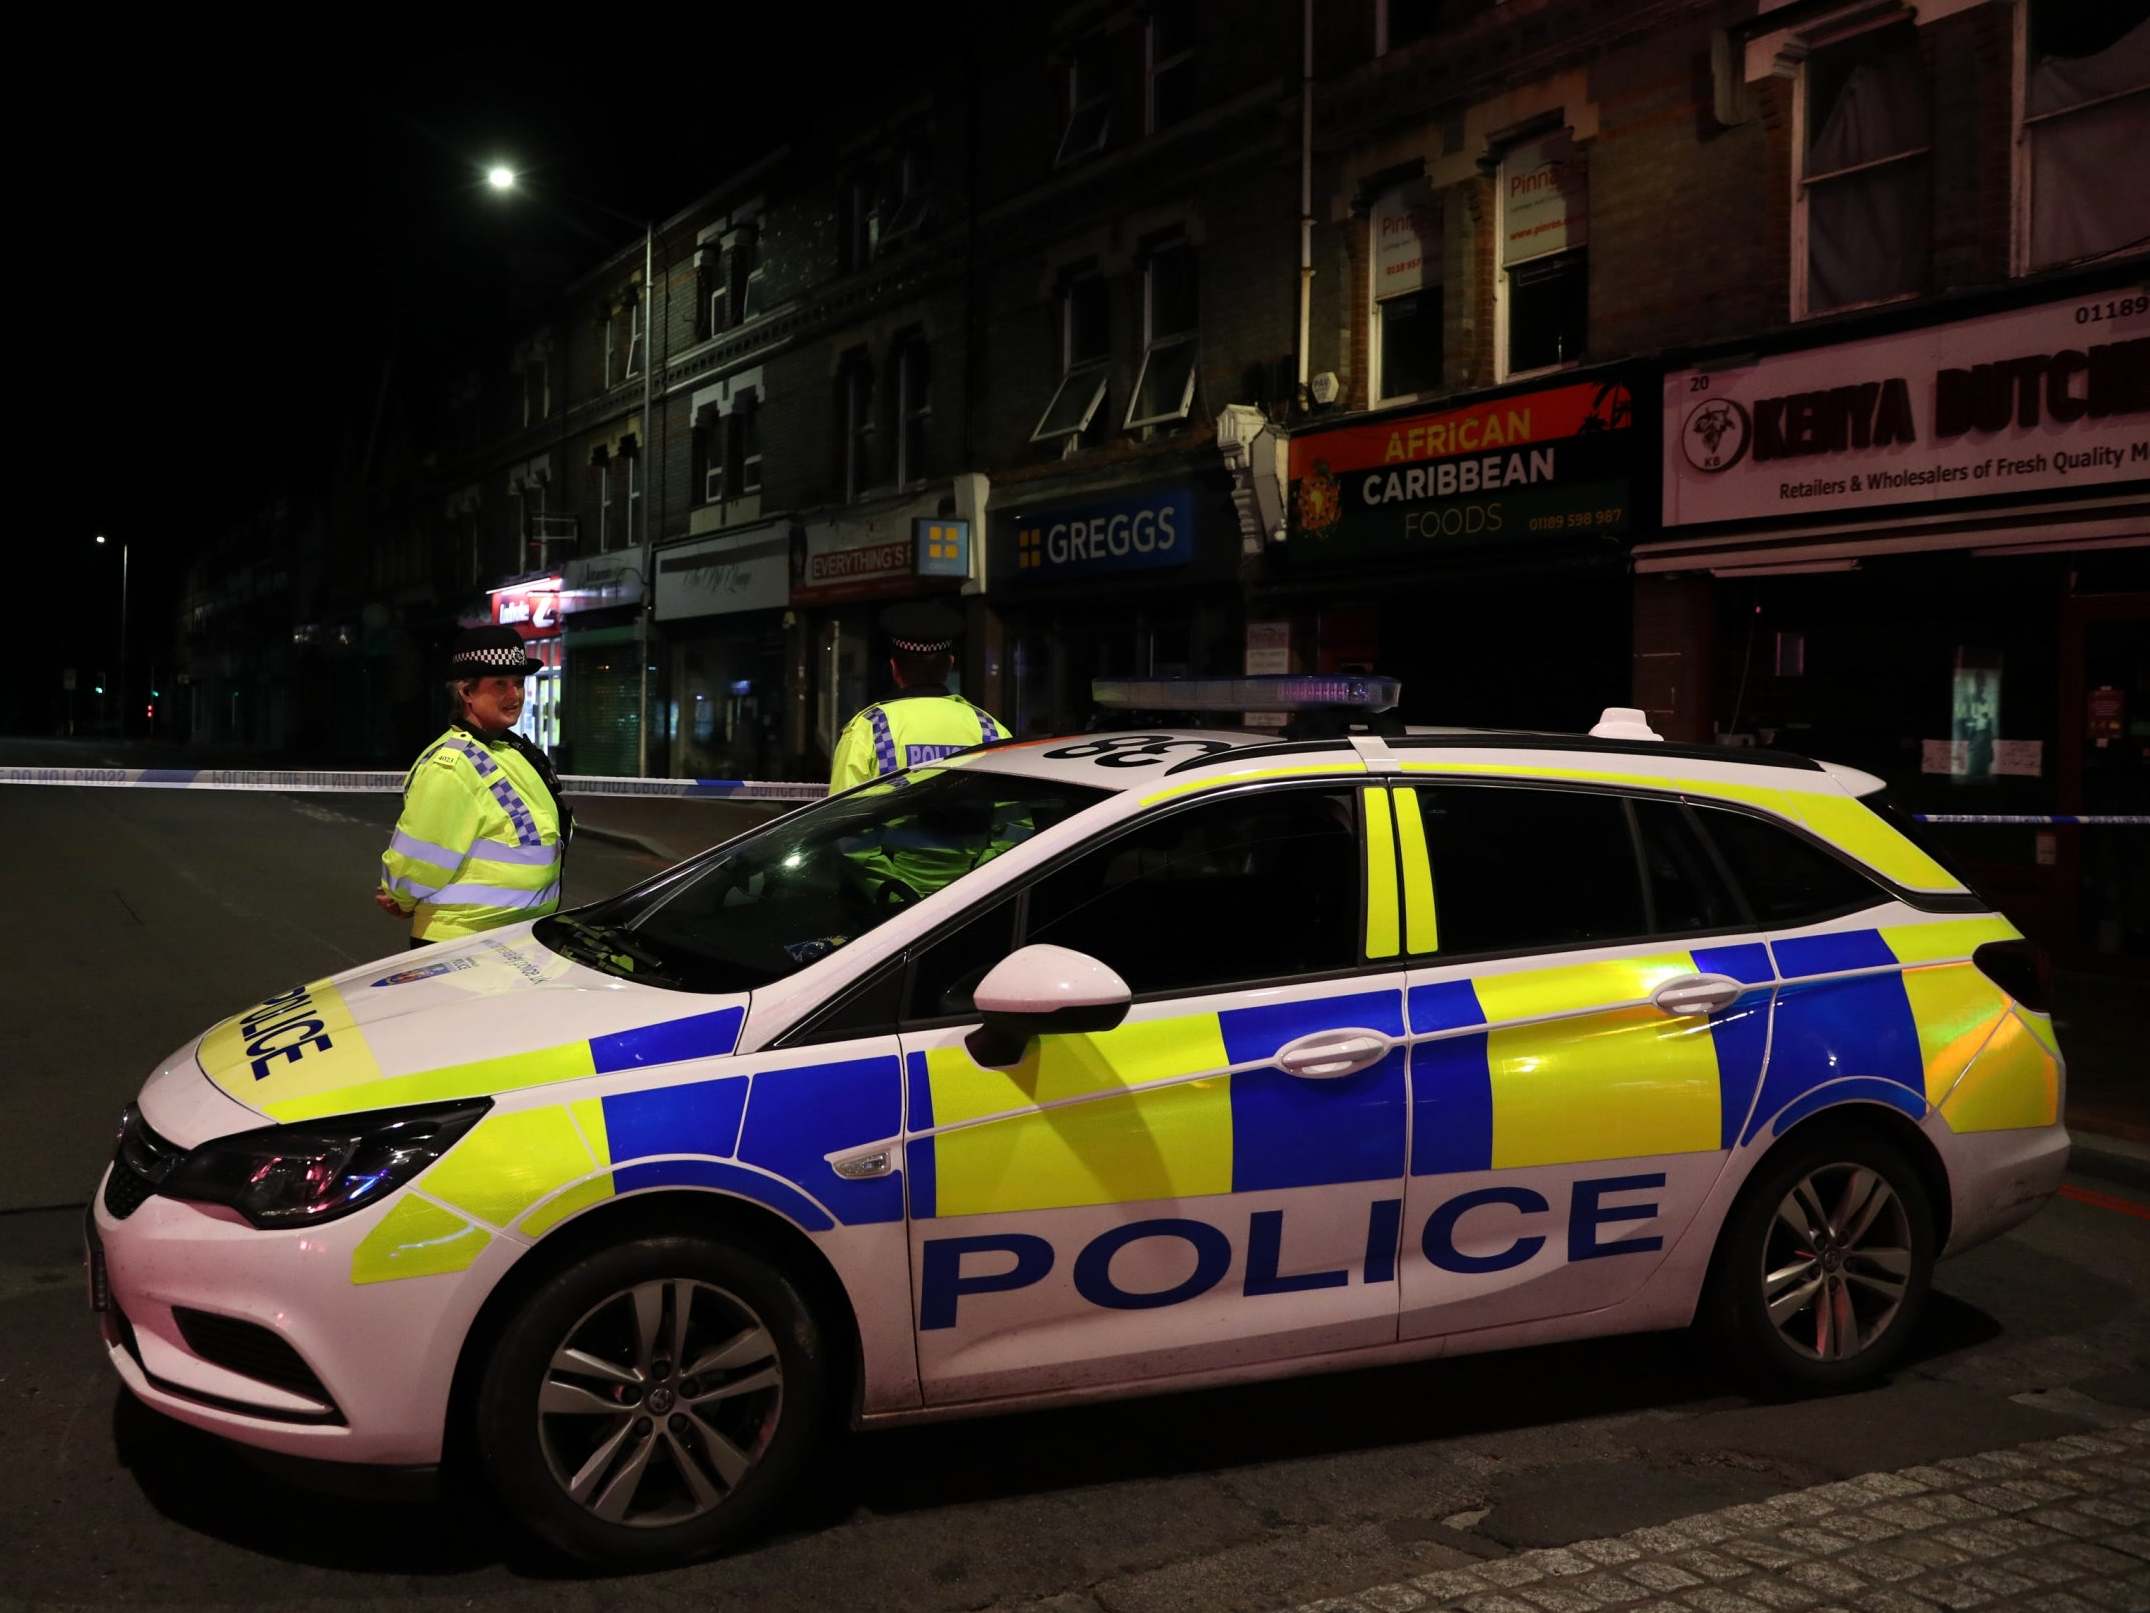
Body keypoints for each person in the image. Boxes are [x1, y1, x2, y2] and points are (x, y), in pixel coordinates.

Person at [376, 626, 575, 948]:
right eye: (500, 685)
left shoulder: (509, 750)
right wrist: (401, 895)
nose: (515, 696)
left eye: (519, 683)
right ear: (466, 692)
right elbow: (419, 856)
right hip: (459, 944)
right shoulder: (452, 765)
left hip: (510, 939)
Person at [827, 602, 1006, 791]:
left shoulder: (869, 729)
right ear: (949, 665)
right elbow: (1014, 813)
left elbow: (840, 815)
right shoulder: (991, 730)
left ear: (894, 668)